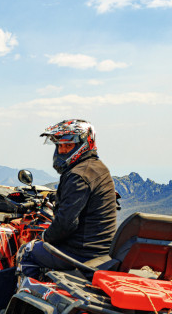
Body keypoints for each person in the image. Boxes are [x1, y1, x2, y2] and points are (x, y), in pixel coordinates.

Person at [17, 119, 117, 279]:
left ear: (83, 145)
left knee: (27, 251)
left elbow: (65, 224)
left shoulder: (77, 175)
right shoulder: (98, 168)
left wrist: (45, 237)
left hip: (81, 253)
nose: (62, 150)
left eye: (68, 146)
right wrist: (55, 197)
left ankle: (24, 299)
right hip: (102, 249)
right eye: (60, 146)